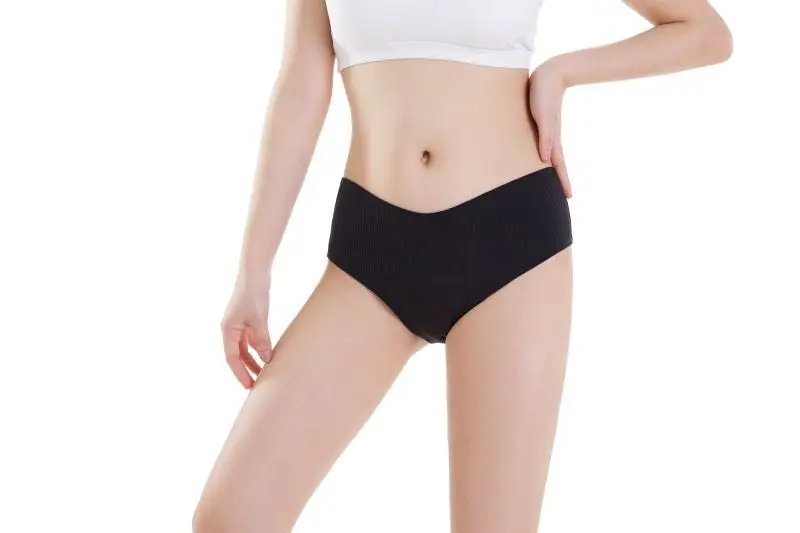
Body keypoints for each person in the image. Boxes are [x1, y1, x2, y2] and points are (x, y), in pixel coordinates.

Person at [193, 0, 732, 531]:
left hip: (511, 244)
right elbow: (303, 81)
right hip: (370, 247)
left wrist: (562, 72)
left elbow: (703, 30)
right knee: (231, 518)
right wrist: (253, 273)